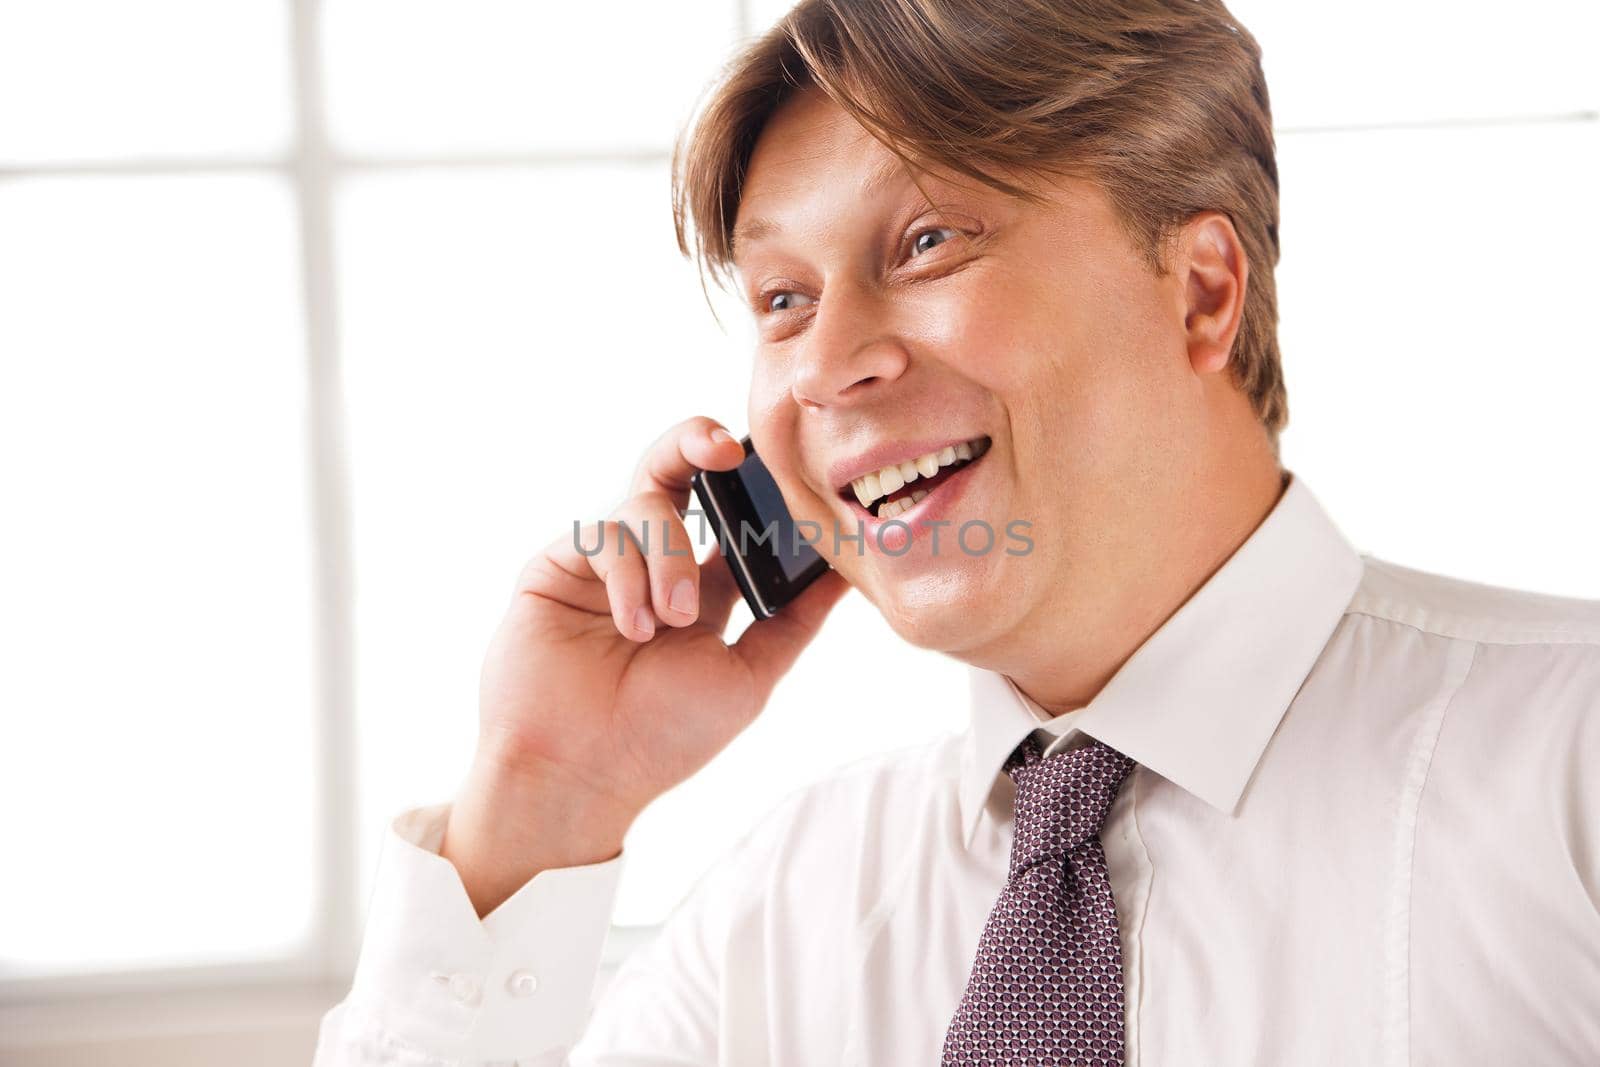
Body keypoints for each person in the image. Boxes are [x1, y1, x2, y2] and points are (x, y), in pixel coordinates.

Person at [313, 1, 1600, 1063]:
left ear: (1200, 292)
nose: (827, 365)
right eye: (779, 297)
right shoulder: (788, 913)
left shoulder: (1568, 768)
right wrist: (543, 793)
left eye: (927, 242)